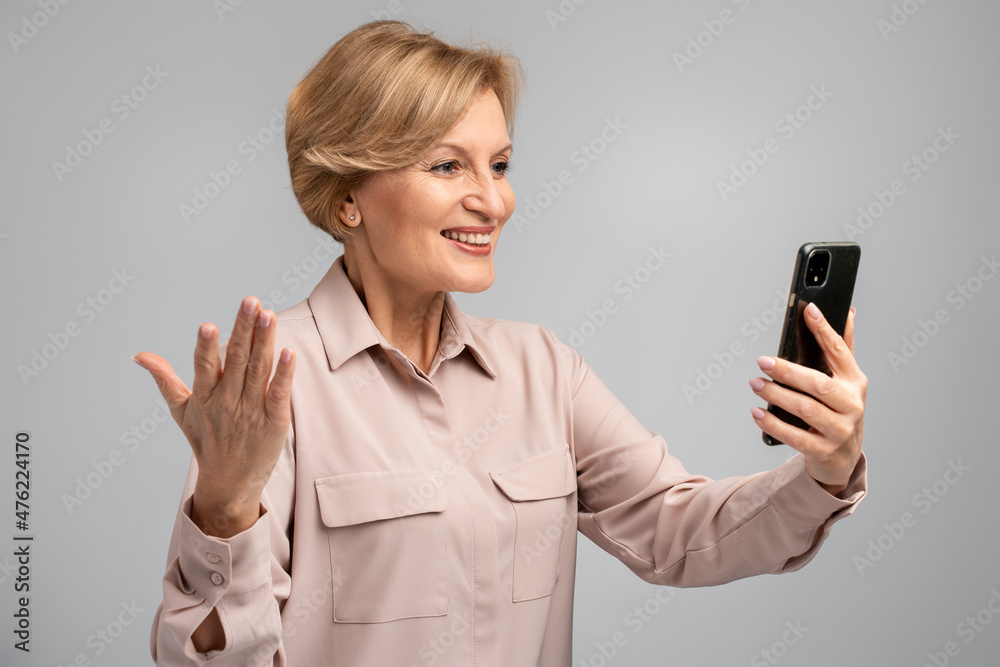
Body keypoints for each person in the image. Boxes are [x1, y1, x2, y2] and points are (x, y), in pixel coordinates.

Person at [134, 19, 868, 666]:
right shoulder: (272, 392)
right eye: (447, 165)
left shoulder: (544, 370)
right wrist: (224, 514)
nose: (494, 199)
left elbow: (683, 532)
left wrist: (824, 471)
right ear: (346, 197)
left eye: (500, 163)